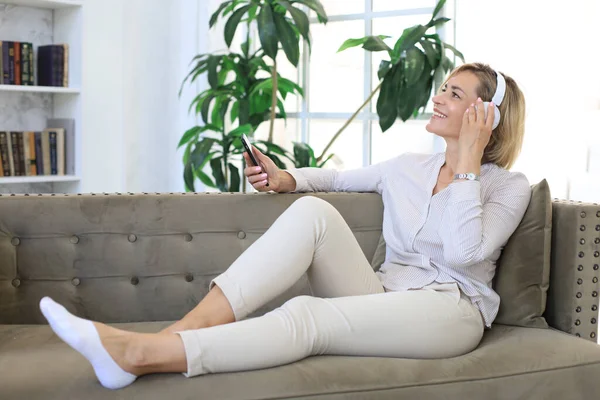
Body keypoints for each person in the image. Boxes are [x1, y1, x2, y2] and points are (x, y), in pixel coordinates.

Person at [39, 62, 530, 390]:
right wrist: (283, 177)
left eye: (455, 93)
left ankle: (141, 355)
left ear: (485, 114)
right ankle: (176, 336)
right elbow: (334, 176)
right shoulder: (406, 167)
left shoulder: (508, 186)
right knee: (313, 212)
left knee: (308, 315)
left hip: (448, 312)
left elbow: (466, 252)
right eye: (444, 86)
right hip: (384, 294)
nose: (439, 96)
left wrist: (467, 161)